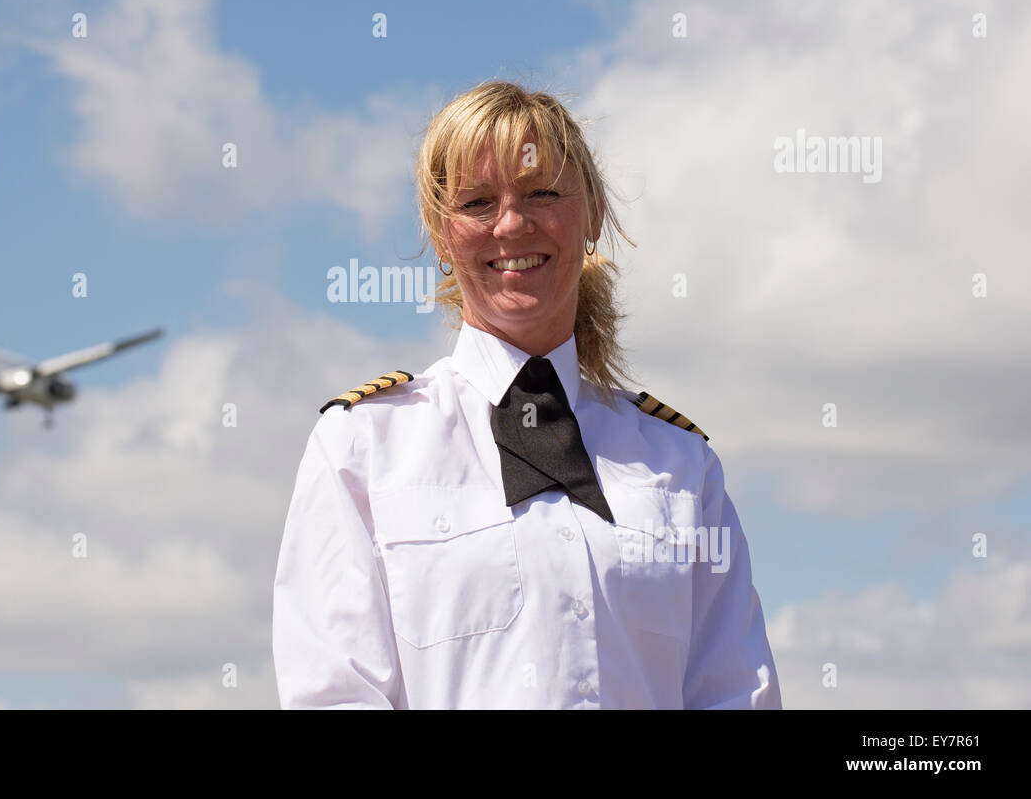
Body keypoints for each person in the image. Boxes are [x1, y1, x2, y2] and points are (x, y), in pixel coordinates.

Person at [272, 81, 781, 709]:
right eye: (479, 203)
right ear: (439, 232)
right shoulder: (363, 447)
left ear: (593, 212)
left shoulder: (680, 466)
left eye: (542, 193)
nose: (512, 224)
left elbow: (734, 696)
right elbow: (335, 697)